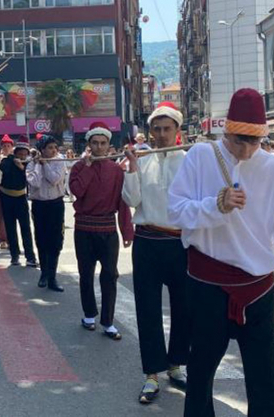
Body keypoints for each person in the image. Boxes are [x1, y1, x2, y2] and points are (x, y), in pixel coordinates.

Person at [167, 89, 274, 417]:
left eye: (254, 141)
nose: (246, 149)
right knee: (201, 373)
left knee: (264, 377)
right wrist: (214, 206)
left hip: (259, 287)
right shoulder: (201, 157)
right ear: (224, 131)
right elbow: (175, 212)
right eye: (238, 140)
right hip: (208, 283)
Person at [122, 102, 190, 404]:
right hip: (147, 241)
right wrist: (132, 168)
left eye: (167, 129)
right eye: (156, 129)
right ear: (150, 131)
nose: (161, 134)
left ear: (178, 131)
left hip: (179, 243)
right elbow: (132, 199)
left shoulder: (190, 162)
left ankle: (176, 364)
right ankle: (151, 374)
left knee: (183, 308)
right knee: (147, 309)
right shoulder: (142, 159)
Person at [70, 122, 134, 341]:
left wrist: (127, 231)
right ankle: (89, 315)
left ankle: (108, 321)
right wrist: (87, 168)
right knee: (85, 274)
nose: (99, 147)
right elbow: (76, 191)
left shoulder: (117, 171)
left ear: (109, 145)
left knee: (109, 275)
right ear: (89, 144)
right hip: (84, 229)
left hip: (107, 229)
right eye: (94, 143)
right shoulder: (79, 167)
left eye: (103, 143)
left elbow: (123, 202)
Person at [26, 134, 68, 292]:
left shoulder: (59, 161)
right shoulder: (31, 163)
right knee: (41, 239)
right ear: (41, 150)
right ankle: (43, 273)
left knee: (56, 241)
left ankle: (52, 276)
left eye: (55, 147)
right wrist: (38, 164)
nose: (53, 150)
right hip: (39, 205)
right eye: (49, 148)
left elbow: (55, 179)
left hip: (55, 205)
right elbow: (34, 182)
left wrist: (46, 165)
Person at [0, 139, 36, 267]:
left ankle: (30, 257)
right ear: (16, 153)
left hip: (21, 198)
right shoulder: (7, 161)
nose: (22, 156)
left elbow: (31, 179)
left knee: (25, 228)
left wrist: (22, 167)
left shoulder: (28, 164)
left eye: (24, 154)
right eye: (20, 153)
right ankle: (14, 255)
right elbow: (2, 168)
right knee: (10, 228)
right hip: (7, 197)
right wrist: (12, 160)